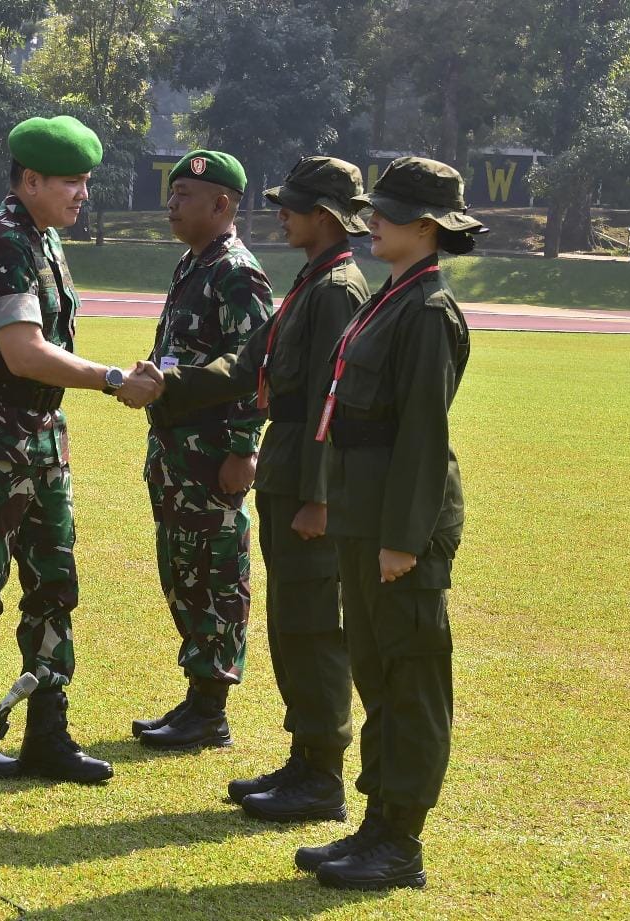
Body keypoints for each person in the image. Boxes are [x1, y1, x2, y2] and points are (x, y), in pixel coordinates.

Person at [142, 156, 486, 890]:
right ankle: (375, 823)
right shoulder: (387, 296)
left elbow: (422, 435)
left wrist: (400, 536)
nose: (374, 221)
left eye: (387, 213)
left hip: (390, 521)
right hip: (362, 510)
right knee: (375, 669)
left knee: (408, 679)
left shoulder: (424, 310)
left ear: (427, 227)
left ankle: (399, 840)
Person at [0, 115, 158, 784]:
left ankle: (47, 734)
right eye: (71, 182)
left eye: (85, 181)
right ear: (30, 180)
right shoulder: (1, 239)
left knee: (53, 585)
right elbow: (23, 353)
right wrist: (114, 379)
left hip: (40, 438)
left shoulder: (43, 237)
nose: (83, 193)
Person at [220, 157, 371, 824]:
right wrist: (171, 382)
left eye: (295, 204)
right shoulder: (314, 278)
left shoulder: (338, 287)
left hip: (308, 479)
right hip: (286, 467)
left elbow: (327, 404)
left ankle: (323, 776)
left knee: (313, 625)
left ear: (328, 217)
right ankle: (305, 757)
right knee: (291, 620)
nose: (282, 211)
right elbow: (252, 361)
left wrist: (319, 496)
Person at [127, 150, 273, 752]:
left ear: (224, 204)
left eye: (185, 193)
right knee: (183, 573)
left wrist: (243, 450)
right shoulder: (195, 264)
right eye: (172, 192)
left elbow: (257, 368)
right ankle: (196, 699)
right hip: (178, 455)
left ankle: (211, 711)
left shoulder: (237, 272)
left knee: (215, 575)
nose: (172, 203)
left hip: (214, 458)